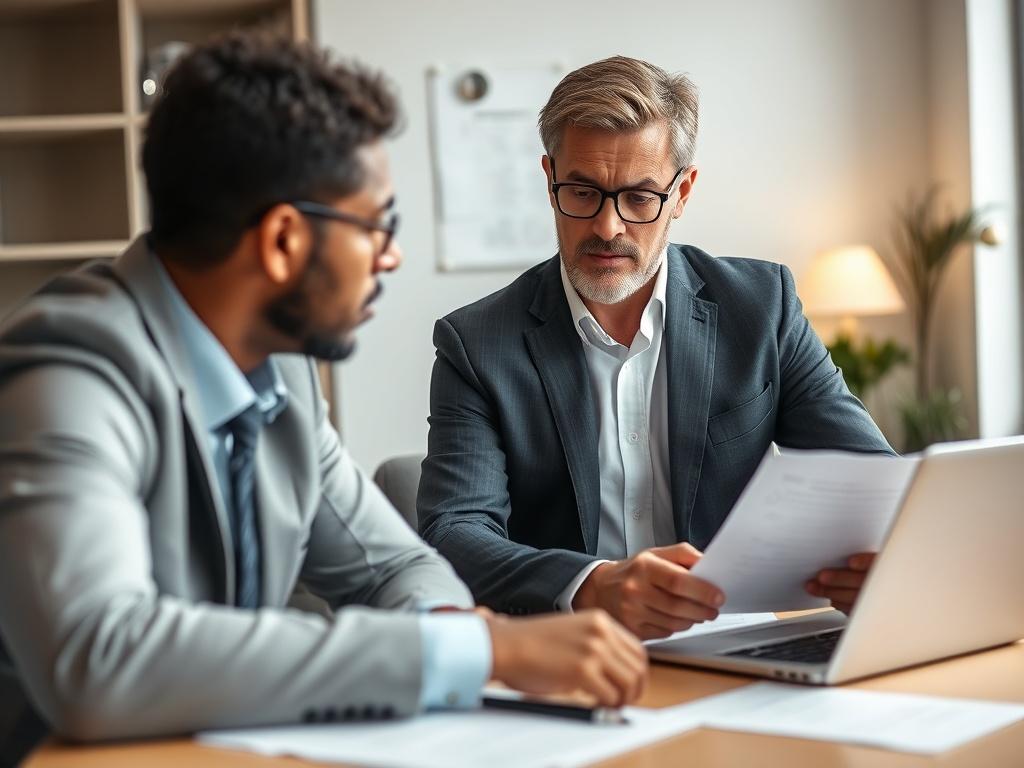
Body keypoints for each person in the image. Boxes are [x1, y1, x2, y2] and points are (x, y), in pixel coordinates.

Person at [0, 35, 647, 758]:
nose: (391, 257)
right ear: (282, 241)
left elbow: (400, 568)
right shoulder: (66, 373)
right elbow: (100, 658)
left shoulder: (282, 373)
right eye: (378, 227)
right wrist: (482, 652)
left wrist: (448, 636)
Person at [418, 55, 895, 641]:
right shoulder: (477, 344)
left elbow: (874, 484)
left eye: (640, 198)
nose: (608, 227)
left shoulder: (761, 308)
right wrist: (591, 585)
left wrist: (880, 562)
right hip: (568, 650)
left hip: (733, 641)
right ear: (549, 180)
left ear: (683, 191)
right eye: (582, 192)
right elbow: (454, 532)